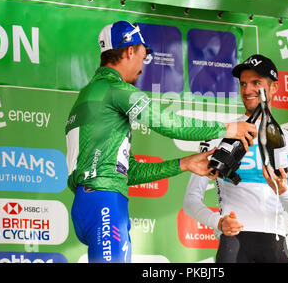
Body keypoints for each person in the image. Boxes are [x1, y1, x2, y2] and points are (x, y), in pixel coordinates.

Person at [65, 20, 257, 263]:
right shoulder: (116, 90)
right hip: (105, 203)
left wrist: (185, 163)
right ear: (129, 50)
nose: (143, 69)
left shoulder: (89, 94)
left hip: (86, 205)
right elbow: (169, 124)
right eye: (143, 57)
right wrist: (228, 128)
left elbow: (128, 172)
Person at [183, 54, 288, 263]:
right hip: (234, 245)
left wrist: (283, 189)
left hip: (276, 247)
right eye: (243, 84)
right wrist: (219, 222)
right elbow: (190, 201)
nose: (247, 90)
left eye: (256, 83)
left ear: (274, 87)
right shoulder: (219, 135)